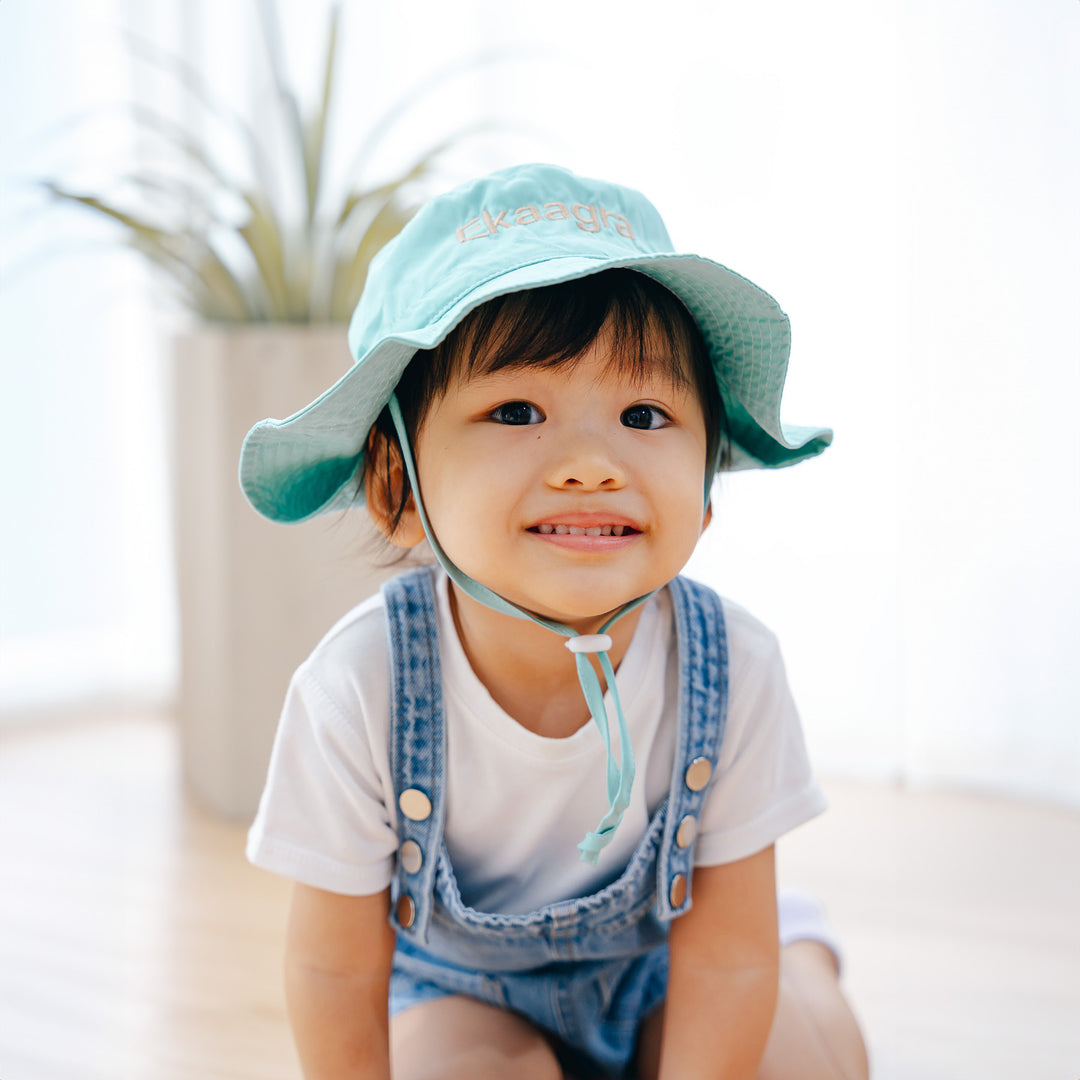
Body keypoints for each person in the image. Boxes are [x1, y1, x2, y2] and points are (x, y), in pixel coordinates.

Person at [240, 163, 869, 1080]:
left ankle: (805, 951)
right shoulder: (360, 688)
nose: (590, 464)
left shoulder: (732, 664)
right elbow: (331, 968)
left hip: (678, 957)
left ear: (706, 486)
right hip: (455, 988)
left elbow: (727, 960)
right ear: (396, 489)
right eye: (518, 409)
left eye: (645, 413)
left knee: (801, 1058)